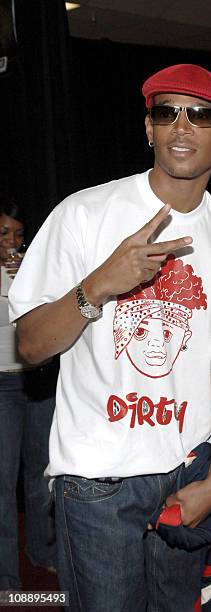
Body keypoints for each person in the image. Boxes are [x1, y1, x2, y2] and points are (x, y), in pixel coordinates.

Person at [9, 64, 211, 611]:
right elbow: (31, 344)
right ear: (148, 128)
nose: (182, 126)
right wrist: (100, 285)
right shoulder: (84, 214)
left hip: (188, 472)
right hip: (98, 481)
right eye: (166, 112)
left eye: (201, 114)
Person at [0, 199, 56, 590]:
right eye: (4, 234)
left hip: (36, 384)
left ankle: (42, 552)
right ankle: (6, 576)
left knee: (40, 477)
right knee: (3, 485)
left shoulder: (34, 269)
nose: (12, 242)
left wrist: (31, 281)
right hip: (2, 387)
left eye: (18, 234)